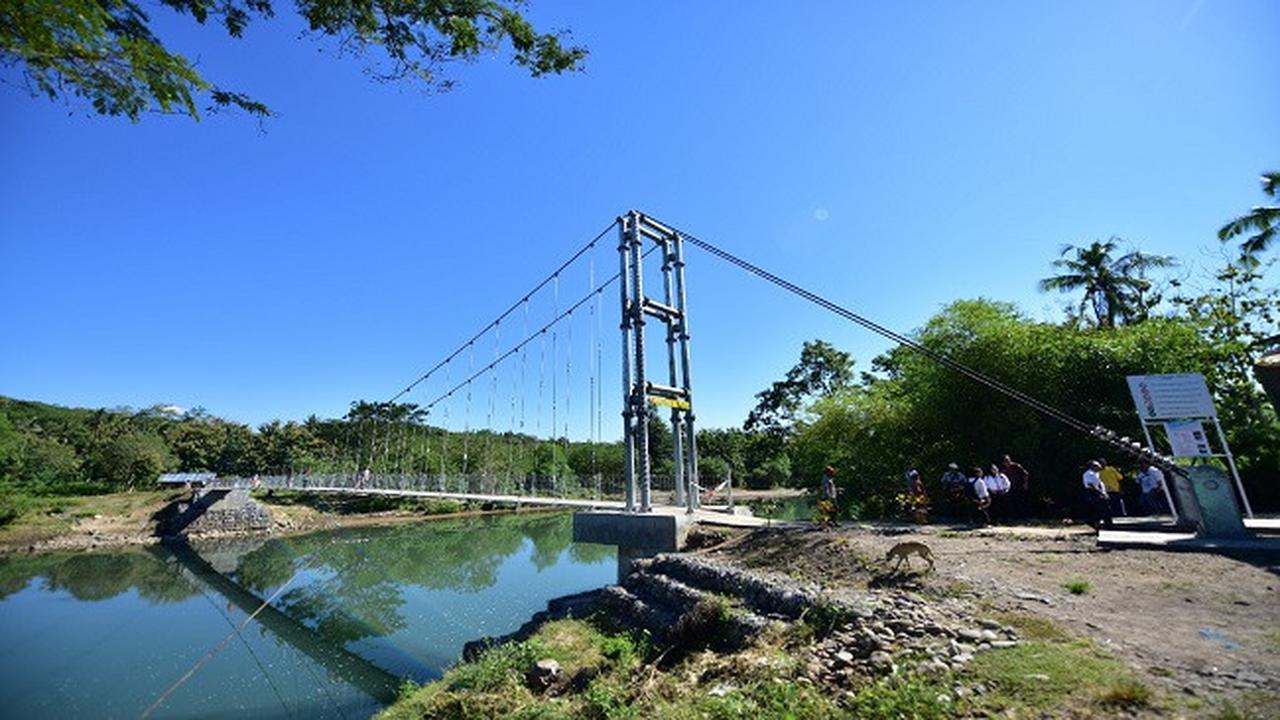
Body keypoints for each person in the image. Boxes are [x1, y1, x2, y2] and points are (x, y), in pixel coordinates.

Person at [1082, 460, 1112, 528]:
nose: (1100, 466)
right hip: (1093, 492)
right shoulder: (1089, 474)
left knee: (1105, 509)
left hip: (1098, 492)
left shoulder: (1096, 474)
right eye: (1097, 465)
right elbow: (1091, 485)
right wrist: (1101, 493)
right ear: (1092, 466)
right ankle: (1095, 525)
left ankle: (1107, 524)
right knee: (1098, 509)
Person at [1001, 454, 1030, 518]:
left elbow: (1025, 474)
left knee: (1021, 502)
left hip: (1019, 487)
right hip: (1010, 488)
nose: (1008, 462)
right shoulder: (1003, 470)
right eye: (1006, 461)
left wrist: (1025, 484)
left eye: (1008, 460)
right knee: (1012, 502)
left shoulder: (1016, 466)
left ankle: (1023, 516)